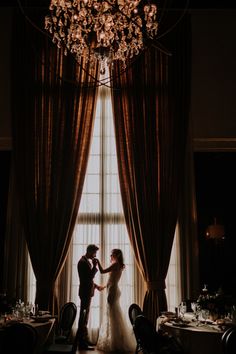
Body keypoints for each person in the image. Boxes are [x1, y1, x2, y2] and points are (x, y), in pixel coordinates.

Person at [95, 248, 136, 352]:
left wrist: (98, 261)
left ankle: (115, 342)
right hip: (112, 289)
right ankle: (117, 339)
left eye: (112, 254)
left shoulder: (116, 264)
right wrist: (103, 287)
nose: (110, 256)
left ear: (117, 255)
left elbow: (102, 271)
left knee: (112, 314)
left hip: (113, 291)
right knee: (113, 313)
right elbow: (112, 279)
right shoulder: (118, 265)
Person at [77, 244, 104, 350]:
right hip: (85, 293)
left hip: (87, 292)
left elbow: (88, 279)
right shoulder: (83, 262)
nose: (95, 255)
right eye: (94, 252)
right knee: (83, 318)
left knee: (85, 317)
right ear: (90, 251)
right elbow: (87, 278)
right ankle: (82, 343)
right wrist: (94, 267)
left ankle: (84, 340)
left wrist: (96, 287)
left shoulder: (85, 261)